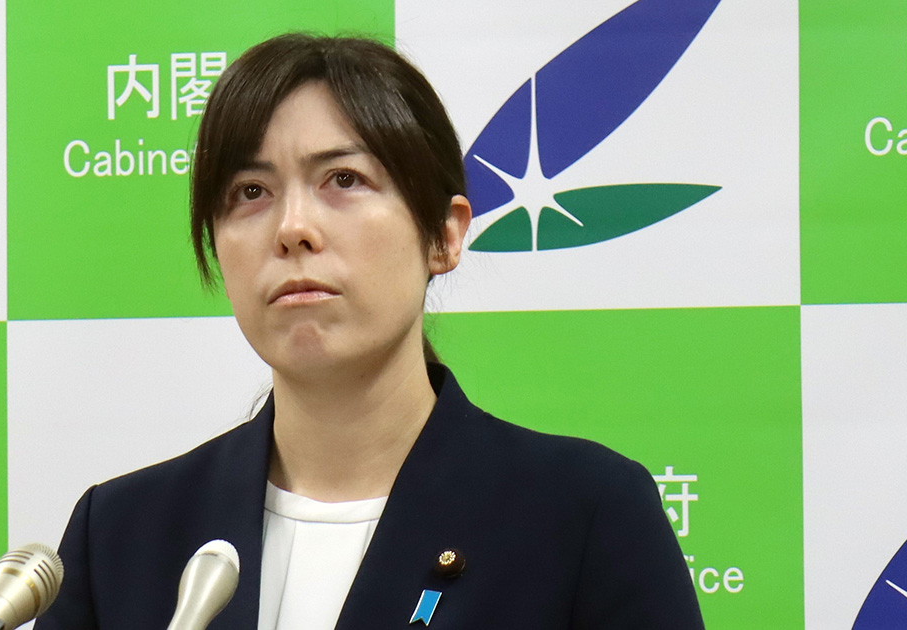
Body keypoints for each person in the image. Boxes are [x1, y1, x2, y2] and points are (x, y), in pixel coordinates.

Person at [35, 34, 703, 630]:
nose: (293, 229)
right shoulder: (121, 533)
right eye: (250, 192)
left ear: (444, 235)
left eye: (343, 180)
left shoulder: (582, 517)